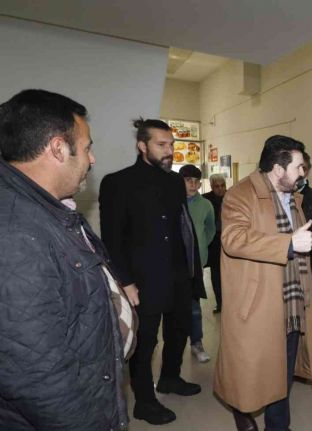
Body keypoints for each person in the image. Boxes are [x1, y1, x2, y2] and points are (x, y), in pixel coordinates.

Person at [0, 89, 131, 430]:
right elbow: (37, 375)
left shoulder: (49, 208)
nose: (92, 159)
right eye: (87, 147)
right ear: (58, 148)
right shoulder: (15, 232)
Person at [99, 118, 206, 425]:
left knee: (179, 329)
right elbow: (111, 239)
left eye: (171, 144)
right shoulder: (117, 182)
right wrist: (126, 281)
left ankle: (171, 377)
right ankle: (144, 402)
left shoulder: (174, 182)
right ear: (142, 146)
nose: (169, 150)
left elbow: (181, 230)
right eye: (161, 145)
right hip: (142, 278)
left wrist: (192, 273)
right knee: (145, 341)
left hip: (178, 274)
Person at [214, 135, 312, 431]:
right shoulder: (240, 195)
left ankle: (278, 426)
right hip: (258, 303)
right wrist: (288, 244)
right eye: (298, 167)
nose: (303, 172)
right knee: (249, 371)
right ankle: (241, 411)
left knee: (282, 374)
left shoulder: (294, 198)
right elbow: (233, 238)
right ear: (278, 168)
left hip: (291, 302)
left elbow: (303, 252)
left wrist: (311, 289)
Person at [180, 164, 216, 363]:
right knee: (173, 307)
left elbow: (210, 230)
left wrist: (200, 248)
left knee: (194, 306)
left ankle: (196, 342)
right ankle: (174, 344)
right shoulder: (172, 202)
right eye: (188, 181)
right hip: (175, 264)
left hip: (196, 265)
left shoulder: (206, 205)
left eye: (196, 181)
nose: (193, 185)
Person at [204, 173, 227, 313]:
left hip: (229, 240)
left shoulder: (231, 197)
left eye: (222, 185)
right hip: (214, 243)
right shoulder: (206, 199)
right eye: (217, 186)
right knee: (216, 275)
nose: (220, 189)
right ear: (212, 187)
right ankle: (220, 303)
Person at [297, 151, 312, 221]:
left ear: (308, 170)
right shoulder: (279, 195)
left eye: (303, 168)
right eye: (296, 168)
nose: (300, 173)